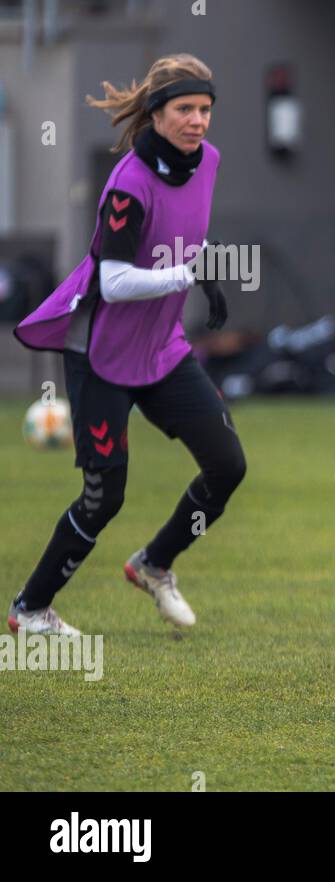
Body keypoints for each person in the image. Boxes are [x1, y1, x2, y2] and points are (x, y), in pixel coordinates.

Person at [10, 54, 245, 635]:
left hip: (161, 352)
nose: (198, 121)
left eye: (206, 110)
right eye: (185, 109)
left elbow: (186, 240)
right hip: (100, 356)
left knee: (227, 466)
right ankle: (30, 609)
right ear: (156, 113)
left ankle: (155, 563)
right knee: (103, 496)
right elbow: (113, 281)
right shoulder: (128, 184)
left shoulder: (208, 162)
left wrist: (202, 272)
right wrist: (185, 276)